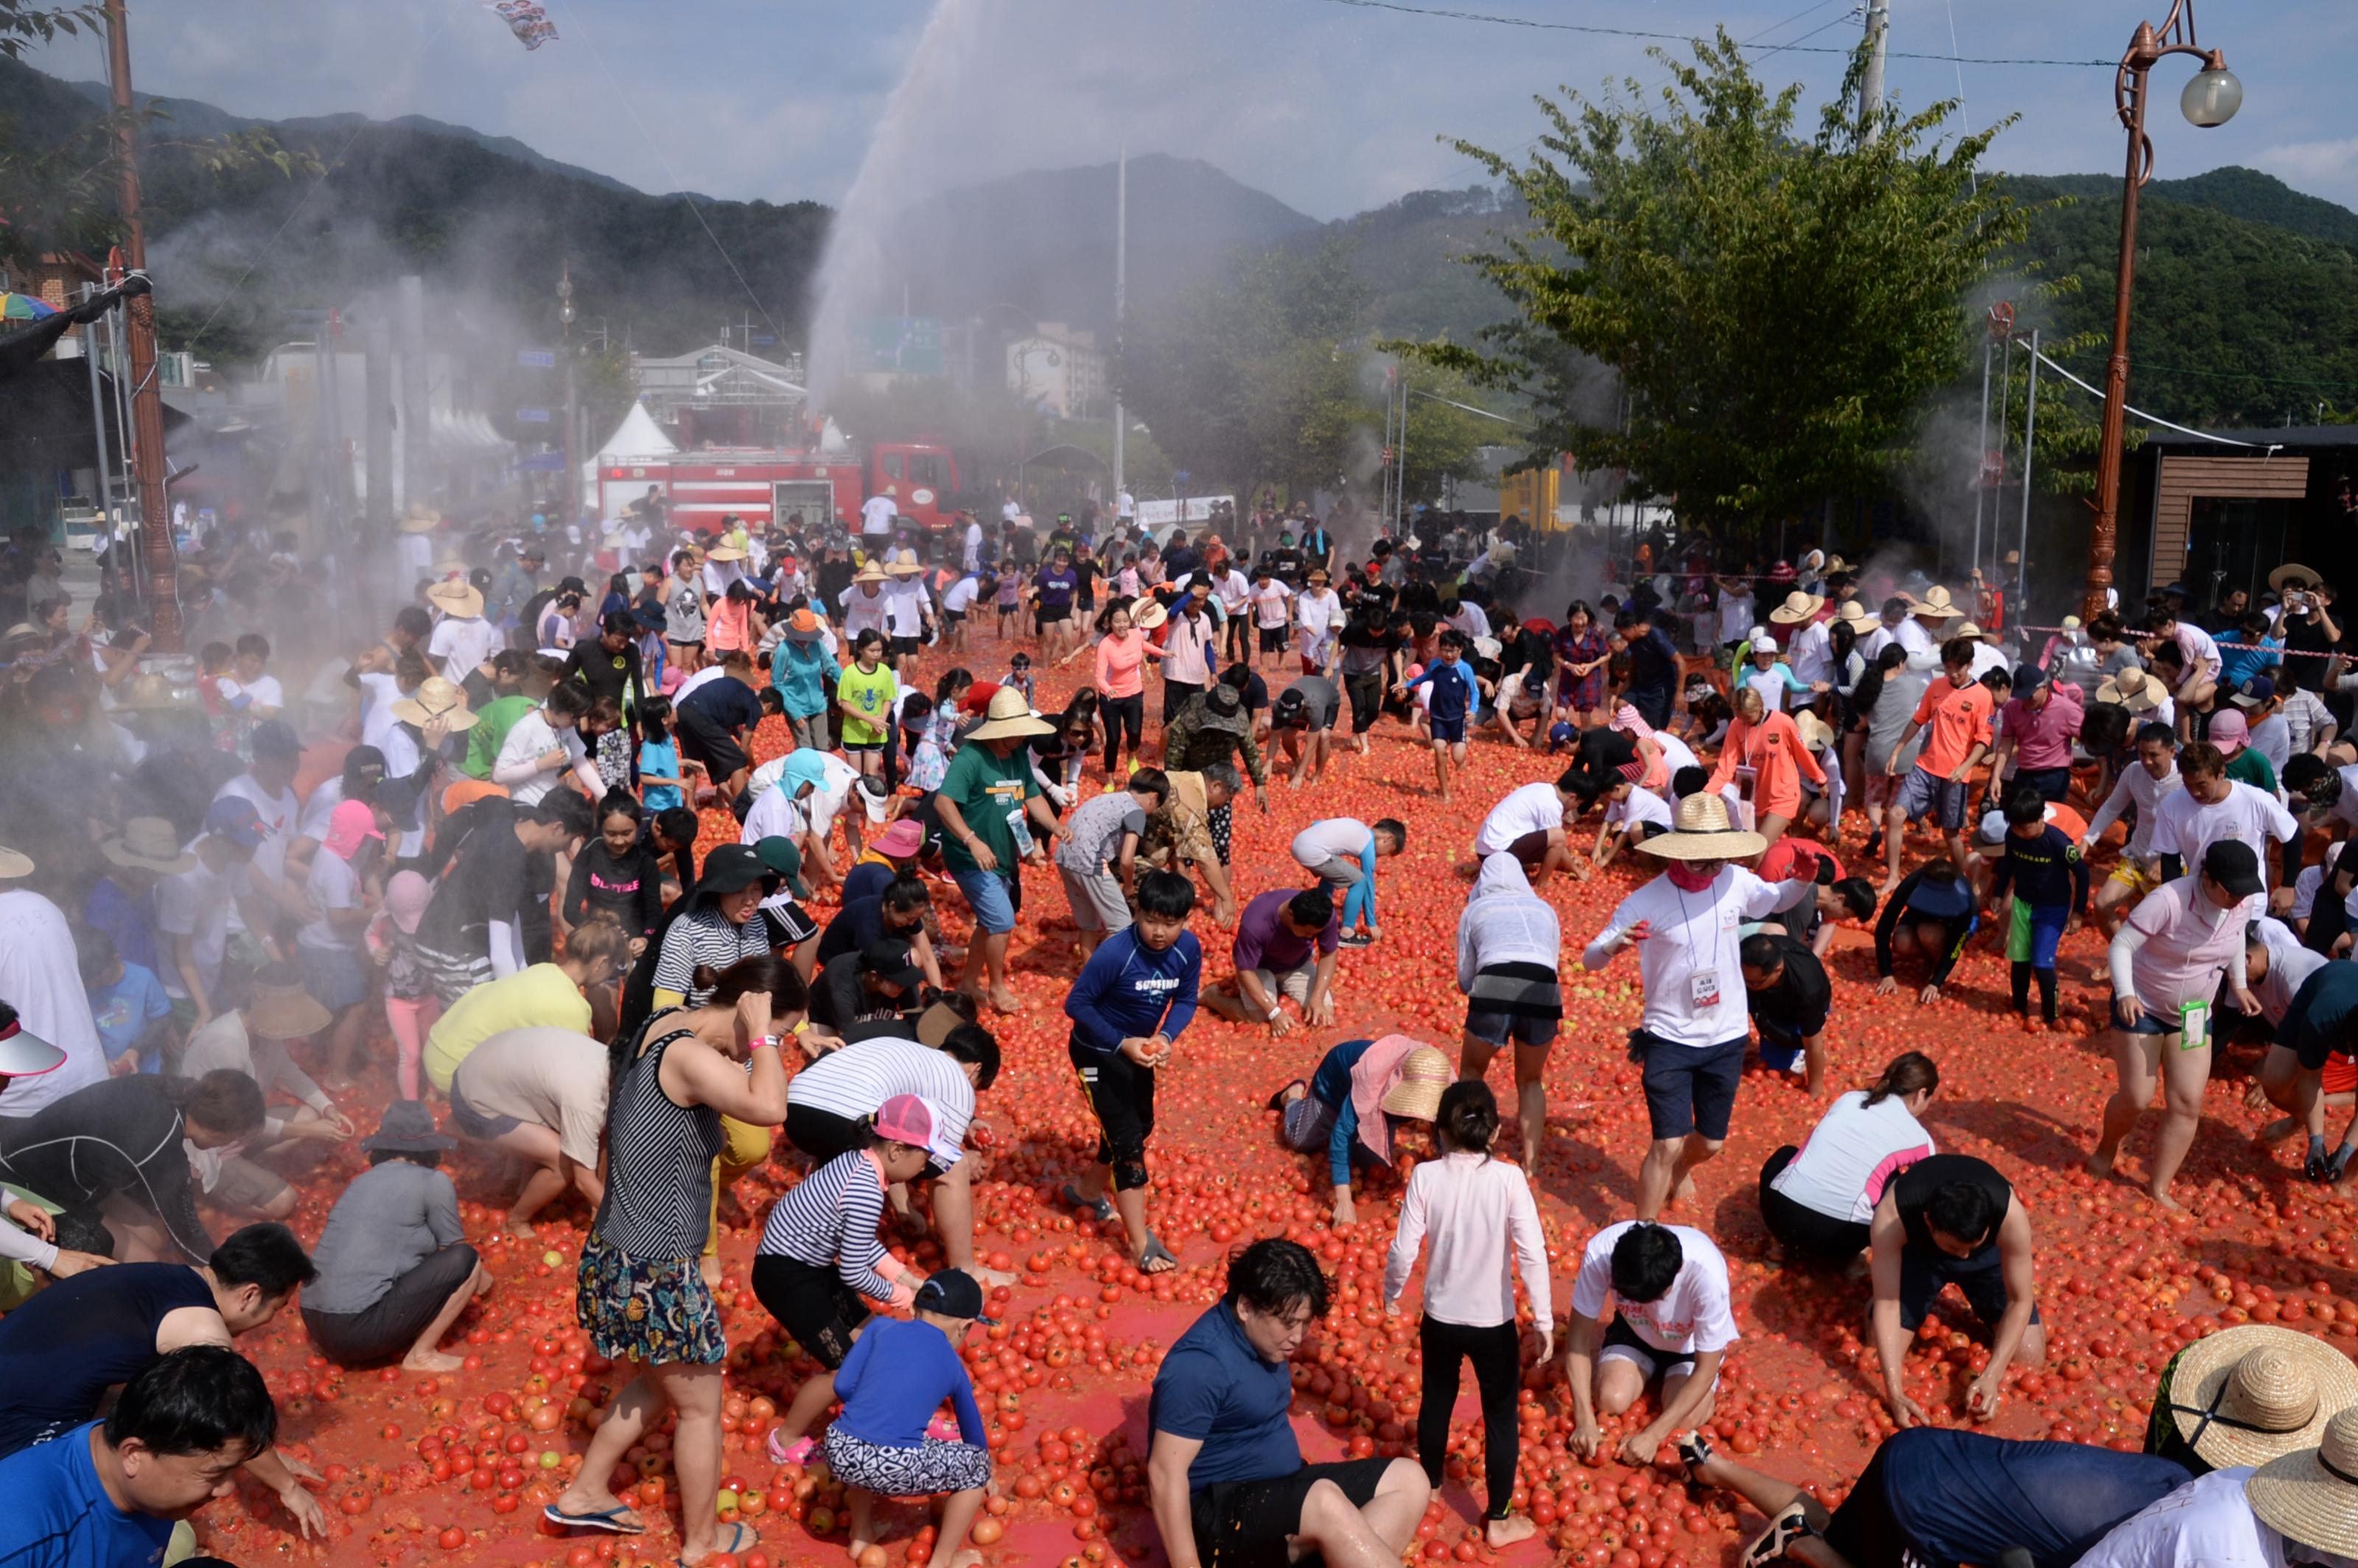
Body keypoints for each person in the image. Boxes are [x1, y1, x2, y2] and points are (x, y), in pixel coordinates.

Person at [546, 956, 794, 1563]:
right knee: (702, 1410)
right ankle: (703, 1544)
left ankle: (583, 1494)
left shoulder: (667, 1023)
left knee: (661, 1383)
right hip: (655, 1262)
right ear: (748, 1007)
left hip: (619, 1250)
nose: (769, 1050)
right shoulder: (688, 1055)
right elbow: (770, 1109)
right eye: (779, 1035)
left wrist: (761, 1033)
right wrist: (763, 1034)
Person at [0, 1223, 326, 1537]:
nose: (271, 1320)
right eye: (277, 1308)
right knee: (161, 1523)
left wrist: (271, 1457)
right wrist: (289, 1488)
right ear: (250, 1296)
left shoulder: (166, 1276)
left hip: (22, 1382)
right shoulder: (199, 1327)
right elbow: (230, 1418)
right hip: (16, 1429)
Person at [1581, 794, 1811, 1217]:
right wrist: (1615, 945)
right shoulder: (1645, 902)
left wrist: (1802, 880)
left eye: (1717, 861)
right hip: (1669, 1035)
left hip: (1726, 1035)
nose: (1710, 870)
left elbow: (1774, 900)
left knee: (1710, 1142)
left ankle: (1680, 1171)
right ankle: (1643, 1231)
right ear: (1677, 853)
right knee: (1666, 1142)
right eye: (1699, 862)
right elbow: (1589, 957)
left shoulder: (1734, 881)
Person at [1149, 1237, 1432, 1568]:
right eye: (1288, 1323)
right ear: (1245, 1307)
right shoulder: (1200, 1365)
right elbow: (1164, 1474)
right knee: (1325, 1502)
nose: (1298, 1338)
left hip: (1275, 1491)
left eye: (1304, 1322)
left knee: (1409, 1480)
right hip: (1217, 1518)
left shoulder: (1264, 1339)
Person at [1380, 1080, 1548, 1550]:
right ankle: (1498, 1517)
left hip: (1441, 1318)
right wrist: (1544, 1318)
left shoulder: (1426, 1177)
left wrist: (1392, 1292)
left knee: (1436, 1398)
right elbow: (1533, 1252)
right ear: (1493, 1131)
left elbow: (1403, 1249)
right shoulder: (1509, 1179)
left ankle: (1430, 1486)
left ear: (1441, 1132)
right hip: (1492, 1323)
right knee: (1499, 1416)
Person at [1682, 1426, 2192, 1568]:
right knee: (1839, 1546)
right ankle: (1804, 1545)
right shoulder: (2119, 1555)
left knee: (1842, 1528)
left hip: (1921, 1449)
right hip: (1920, 1514)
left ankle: (1715, 1467)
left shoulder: (2169, 1479)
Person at [2090, 840, 2267, 1207]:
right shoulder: (2168, 901)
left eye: (2244, 891)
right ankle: (2108, 1147)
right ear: (2208, 879)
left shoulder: (2241, 901)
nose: (2239, 899)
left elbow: (2234, 939)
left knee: (2187, 1102)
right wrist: (2125, 993)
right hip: (2144, 1006)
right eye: (2231, 891)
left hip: (2194, 1013)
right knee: (2137, 1097)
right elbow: (2122, 945)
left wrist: (2238, 984)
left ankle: (2159, 1188)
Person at [0, 1345, 283, 1567]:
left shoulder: (140, 1474)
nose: (227, 1488)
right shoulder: (23, 1537)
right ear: (134, 1454)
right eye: (214, 1474)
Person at [780, 1026, 1005, 1287]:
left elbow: (895, 1142)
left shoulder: (908, 1050)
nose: (972, 1093)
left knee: (867, 1145)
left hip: (796, 1108)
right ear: (975, 1070)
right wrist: (964, 1158)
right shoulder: (957, 1078)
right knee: (954, 1169)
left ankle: (810, 1236)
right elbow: (934, 1158)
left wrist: (902, 1208)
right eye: (977, 1087)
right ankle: (965, 1270)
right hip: (845, 1119)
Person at [1063, 871, 1201, 1276]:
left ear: (1185, 920)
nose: (1160, 933)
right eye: (1152, 920)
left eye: (1170, 923)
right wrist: (1122, 1042)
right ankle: (1141, 1242)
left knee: (1140, 1125)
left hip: (1139, 1050)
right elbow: (1077, 1005)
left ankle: (1086, 1190)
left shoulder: (1187, 950)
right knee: (1127, 1143)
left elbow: (1186, 999)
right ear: (1136, 912)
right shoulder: (1115, 952)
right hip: (1095, 1052)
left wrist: (1168, 1037)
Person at [752, 1095, 934, 1400]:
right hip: (785, 1277)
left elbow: (862, 1246)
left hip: (809, 1264)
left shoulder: (859, 1160)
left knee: (867, 1328)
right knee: (844, 1371)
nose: (925, 1167)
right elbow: (852, 1271)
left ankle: (887, 1398)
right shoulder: (865, 1190)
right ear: (897, 1150)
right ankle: (787, 1440)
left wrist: (908, 1279)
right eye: (925, 1158)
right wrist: (905, 1298)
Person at [816, 1266, 997, 1568]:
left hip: (839, 1449)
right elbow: (974, 1436)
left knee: (867, 1430)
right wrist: (985, 1470)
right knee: (977, 1467)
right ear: (964, 1326)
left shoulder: (879, 1328)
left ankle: (861, 1534)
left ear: (915, 1308)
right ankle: (943, 1561)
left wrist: (874, 1404)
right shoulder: (952, 1364)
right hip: (892, 1462)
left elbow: (842, 1386)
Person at [301, 1101, 490, 1371]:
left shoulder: (361, 1181)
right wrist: (485, 1282)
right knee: (467, 1259)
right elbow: (456, 1252)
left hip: (314, 1322)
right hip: (357, 1332)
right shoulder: (432, 1181)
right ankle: (421, 1356)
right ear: (429, 1147)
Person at [1870, 1152, 2046, 1426]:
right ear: (1929, 1222)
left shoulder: (2009, 1215)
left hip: (1986, 1259)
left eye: (1969, 1248)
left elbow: (2020, 1301)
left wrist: (1992, 1376)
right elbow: (1887, 1303)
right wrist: (1894, 1393)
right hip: (1921, 1254)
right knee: (1875, 1343)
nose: (1962, 1256)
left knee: (2029, 1357)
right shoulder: (1893, 1215)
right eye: (1955, 1248)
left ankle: (1967, 1252)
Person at [178, 968, 354, 1219]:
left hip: (240, 1134)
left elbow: (290, 1073)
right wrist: (314, 1131)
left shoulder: (266, 1030)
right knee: (284, 1203)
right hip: (208, 1148)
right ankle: (205, 1190)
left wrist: (328, 1108)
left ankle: (246, 1169)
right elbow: (243, 1121)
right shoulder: (226, 1044)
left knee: (309, 1115)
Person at [1563, 1220, 1737, 1466]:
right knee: (1610, 1400)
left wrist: (1653, 1436)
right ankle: (1645, 1366)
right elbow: (1578, 1338)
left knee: (1685, 1418)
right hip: (1635, 1330)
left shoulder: (1706, 1276)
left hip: (1689, 1343)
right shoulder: (1601, 1253)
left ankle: (1673, 1378)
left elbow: (1705, 1369)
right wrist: (1584, 1421)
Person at [935, 689, 1061, 1014]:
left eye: (1021, 733)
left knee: (990, 923)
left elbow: (1031, 797)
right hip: (969, 857)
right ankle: (996, 987)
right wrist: (971, 840)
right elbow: (943, 802)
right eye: (1011, 733)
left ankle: (968, 982)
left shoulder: (1018, 754)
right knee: (1003, 921)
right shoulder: (970, 758)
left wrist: (1054, 828)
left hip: (1002, 855)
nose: (1017, 739)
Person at [1760, 1051, 1938, 1263]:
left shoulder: (1849, 1099)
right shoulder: (1920, 1139)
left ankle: (1777, 1249)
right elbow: (1927, 1196)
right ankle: (1857, 1260)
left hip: (1779, 1218)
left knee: (1787, 1155)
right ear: (1921, 1094)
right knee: (1896, 1184)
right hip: (1841, 1240)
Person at [411, 797, 590, 1002]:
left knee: (459, 1018)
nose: (566, 848)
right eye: (570, 840)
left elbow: (509, 921)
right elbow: (500, 954)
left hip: (439, 938)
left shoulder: (506, 829)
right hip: (448, 951)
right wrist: (515, 1004)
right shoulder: (509, 863)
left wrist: (522, 973)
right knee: (487, 1015)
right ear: (557, 828)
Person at [425, 917, 628, 1093]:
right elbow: (578, 1076)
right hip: (453, 1069)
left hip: (438, 1043)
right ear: (601, 963)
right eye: (612, 968)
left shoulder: (543, 970)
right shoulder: (571, 1007)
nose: (610, 976)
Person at [1455, 853, 1562, 1173]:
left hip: (1494, 985)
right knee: (1531, 1080)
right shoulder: (1546, 910)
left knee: (1472, 1073)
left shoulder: (1475, 909)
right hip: (1543, 989)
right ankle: (1531, 1164)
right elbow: (1551, 962)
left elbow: (1464, 977)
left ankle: (1473, 1149)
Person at [1267, 1038, 1447, 1227]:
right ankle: (1294, 1096)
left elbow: (1448, 1128)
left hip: (1373, 1098)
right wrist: (1344, 1201)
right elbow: (1341, 1134)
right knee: (1299, 1141)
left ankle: (1354, 1122)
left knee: (1374, 1168)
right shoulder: (1373, 1084)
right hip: (1334, 1085)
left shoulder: (1439, 1077)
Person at [1881, 637, 1995, 895]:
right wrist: (1898, 749)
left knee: (1951, 833)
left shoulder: (1981, 696)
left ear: (1970, 664)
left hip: (1955, 774)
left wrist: (1965, 768)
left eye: (1958, 668)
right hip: (1925, 766)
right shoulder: (1936, 686)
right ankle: (1894, 876)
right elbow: (1919, 720)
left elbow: (1984, 740)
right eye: (1948, 668)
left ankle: (1965, 882)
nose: (1953, 674)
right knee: (1896, 814)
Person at [1984, 788, 2091, 1025]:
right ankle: (2019, 1008)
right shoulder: (2012, 837)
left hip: (2052, 908)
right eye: (2016, 827)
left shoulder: (2059, 843)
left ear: (2041, 818)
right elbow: (2007, 865)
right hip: (2023, 902)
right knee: (2020, 959)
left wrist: (2078, 913)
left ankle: (2051, 1014)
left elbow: (2083, 875)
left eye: (2026, 827)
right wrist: (1999, 894)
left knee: (2042, 964)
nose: (2021, 833)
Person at [2082, 721, 2182, 935]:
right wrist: (2088, 839)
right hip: (2137, 856)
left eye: (2154, 755)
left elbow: (2197, 829)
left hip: (2171, 866)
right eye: (2142, 753)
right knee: (2102, 905)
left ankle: (2134, 962)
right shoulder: (2134, 771)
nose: (2146, 761)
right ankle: (2124, 957)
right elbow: (2111, 807)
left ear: (2172, 752)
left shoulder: (2186, 780)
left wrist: (2169, 861)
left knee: (2155, 930)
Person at [1054, 770, 1166, 959]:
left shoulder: (1106, 799)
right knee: (1122, 924)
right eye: (1155, 807)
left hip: (1064, 856)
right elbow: (1126, 859)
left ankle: (1088, 971)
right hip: (1090, 860)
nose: (1151, 812)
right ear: (1153, 798)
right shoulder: (1136, 811)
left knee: (1089, 922)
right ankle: (1099, 973)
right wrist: (1129, 886)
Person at [1200, 887, 1340, 1036]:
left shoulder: (1324, 915)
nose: (1311, 937)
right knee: (1261, 1019)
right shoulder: (1256, 923)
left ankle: (1278, 988)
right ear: (1291, 915)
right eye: (1307, 933)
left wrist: (1317, 998)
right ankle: (1212, 998)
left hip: (1298, 964)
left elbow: (1329, 954)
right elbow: (1246, 971)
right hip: (1258, 967)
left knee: (1323, 1013)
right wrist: (1273, 1011)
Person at [564, 791, 666, 949]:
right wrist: (596, 931)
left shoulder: (646, 863)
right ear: (600, 829)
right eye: (611, 834)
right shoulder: (589, 856)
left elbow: (654, 912)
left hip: (633, 942)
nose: (619, 841)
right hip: (597, 941)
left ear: (637, 828)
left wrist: (646, 938)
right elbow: (570, 909)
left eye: (627, 833)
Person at [1872, 858, 1979, 1004]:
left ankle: (1937, 964)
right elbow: (1884, 926)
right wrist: (1886, 973)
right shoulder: (1912, 882)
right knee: (1902, 941)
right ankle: (1928, 958)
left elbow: (1957, 942)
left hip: (1947, 928)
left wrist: (1935, 983)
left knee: (1928, 932)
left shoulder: (1963, 896)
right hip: (1916, 918)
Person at [1738, 931, 1833, 1092]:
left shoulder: (1807, 989)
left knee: (1782, 1066)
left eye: (1754, 983)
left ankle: (1801, 1055)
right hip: (1767, 1001)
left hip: (1795, 1011)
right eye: (1745, 980)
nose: (1748, 986)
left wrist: (1814, 1091)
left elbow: (1812, 1043)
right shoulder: (1748, 964)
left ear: (1778, 970)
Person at [1287, 816, 1402, 948]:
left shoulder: (1358, 826)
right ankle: (1347, 933)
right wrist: (1371, 923)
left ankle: (1319, 915)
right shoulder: (1368, 844)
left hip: (1299, 842)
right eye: (1389, 852)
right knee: (1359, 881)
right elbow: (1368, 883)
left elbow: (1316, 823)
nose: (1382, 856)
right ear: (1388, 839)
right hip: (1313, 852)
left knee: (1332, 871)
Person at [1396, 631, 1480, 802]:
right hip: (1438, 718)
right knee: (1440, 752)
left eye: (1452, 651)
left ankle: (1461, 761)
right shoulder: (1435, 665)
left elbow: (1474, 691)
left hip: (1457, 719)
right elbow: (1423, 677)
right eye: (1445, 650)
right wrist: (1405, 685)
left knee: (1458, 757)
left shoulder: (1465, 669)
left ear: (1460, 650)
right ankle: (1445, 793)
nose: (1448, 655)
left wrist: (1473, 709)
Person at [1472, 770, 1587, 883]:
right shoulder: (1552, 805)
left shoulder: (1543, 788)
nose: (1574, 808)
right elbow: (1558, 842)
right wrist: (1577, 871)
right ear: (1572, 797)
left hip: (1486, 850)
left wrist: (1569, 860)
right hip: (1495, 853)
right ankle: (1542, 883)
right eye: (1578, 804)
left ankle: (1510, 867)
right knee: (1558, 835)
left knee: (1552, 851)